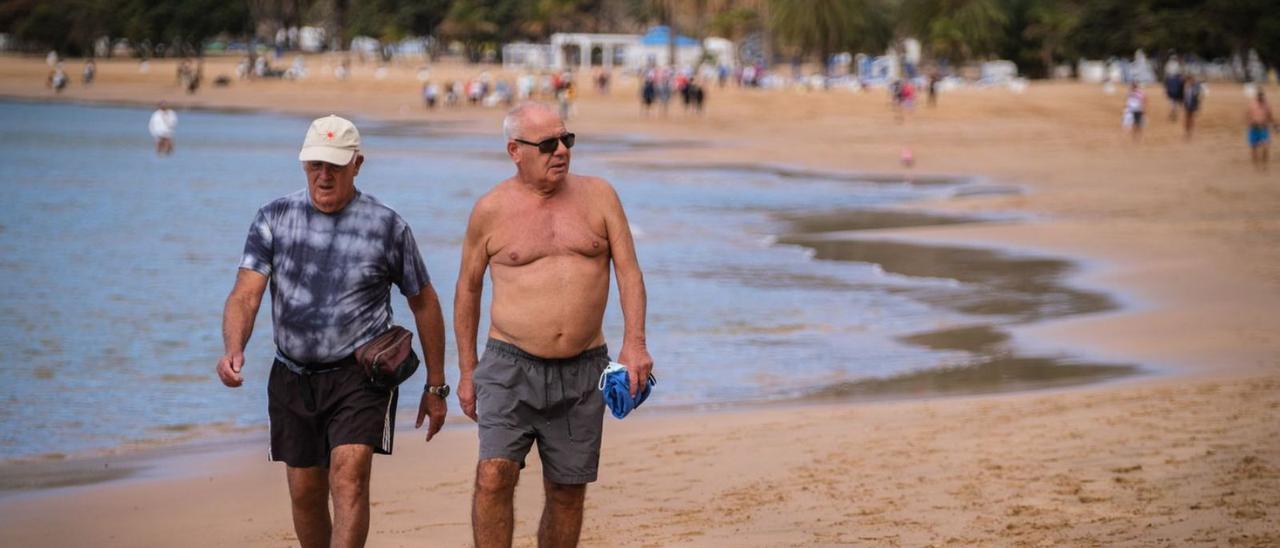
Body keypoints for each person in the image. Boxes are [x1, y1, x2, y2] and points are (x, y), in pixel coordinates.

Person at [216, 115, 448, 548]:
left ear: (357, 164)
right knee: (305, 493)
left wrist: (436, 387)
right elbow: (246, 294)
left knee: (350, 475)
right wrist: (234, 348)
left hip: (360, 375)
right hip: (292, 375)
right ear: (303, 163)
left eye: (335, 166)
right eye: (315, 164)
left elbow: (424, 301)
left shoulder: (387, 226)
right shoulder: (273, 218)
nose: (323, 175)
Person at [455, 102, 653, 548]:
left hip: (584, 368)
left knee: (566, 490)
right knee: (493, 476)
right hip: (509, 366)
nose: (561, 151)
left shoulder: (600, 196)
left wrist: (634, 344)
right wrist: (467, 371)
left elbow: (629, 272)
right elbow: (467, 289)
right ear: (515, 150)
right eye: (547, 144)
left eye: (567, 140)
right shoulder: (490, 209)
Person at [1246, 90, 1278, 171]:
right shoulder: (1252, 105)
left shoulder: (1267, 106)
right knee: (1254, 148)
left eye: (1262, 97)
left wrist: (1275, 126)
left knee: (1266, 146)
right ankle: (1255, 166)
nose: (1261, 98)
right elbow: (1247, 116)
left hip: (1264, 128)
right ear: (1257, 97)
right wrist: (1249, 123)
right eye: (1259, 96)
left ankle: (1264, 164)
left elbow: (1270, 117)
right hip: (1254, 128)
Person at [1182, 75, 1203, 140]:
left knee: (1191, 118)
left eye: (1191, 80)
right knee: (1186, 118)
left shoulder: (1195, 88)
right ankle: (1187, 131)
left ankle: (1190, 131)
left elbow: (1197, 97)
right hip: (1187, 105)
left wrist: (1198, 107)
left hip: (1193, 105)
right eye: (1188, 80)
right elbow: (1184, 97)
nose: (1189, 82)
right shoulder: (1185, 87)